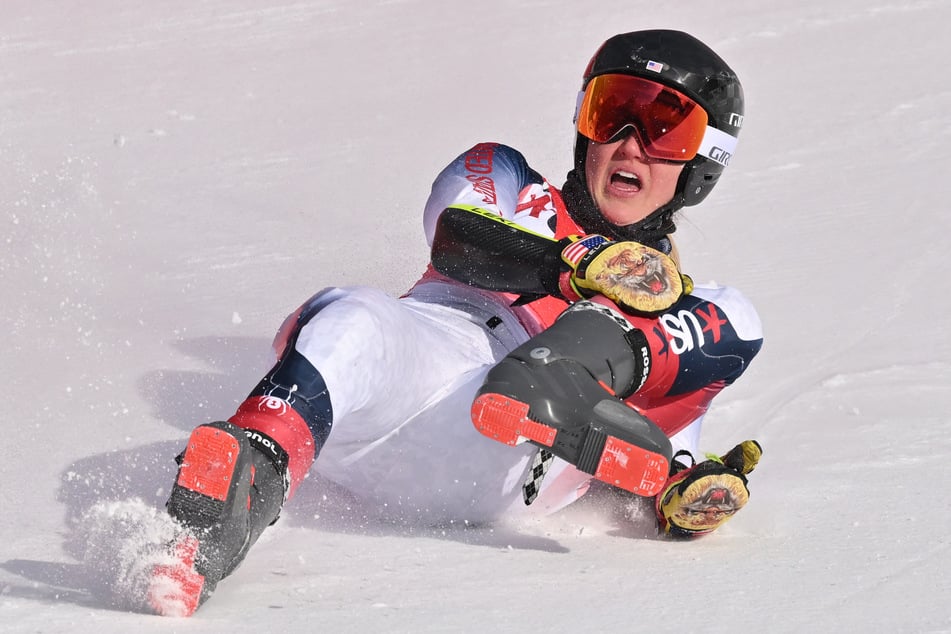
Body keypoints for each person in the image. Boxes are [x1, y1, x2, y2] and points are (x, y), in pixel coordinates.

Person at [149, 29, 764, 617]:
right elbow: (457, 238)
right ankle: (237, 496)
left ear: (704, 164)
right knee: (354, 312)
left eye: (665, 128)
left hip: (510, 461)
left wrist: (678, 497)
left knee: (734, 314)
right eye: (612, 113)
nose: (630, 142)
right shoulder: (507, 178)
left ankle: (560, 373)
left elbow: (654, 434)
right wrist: (576, 263)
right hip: (416, 381)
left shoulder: (675, 309)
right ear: (583, 124)